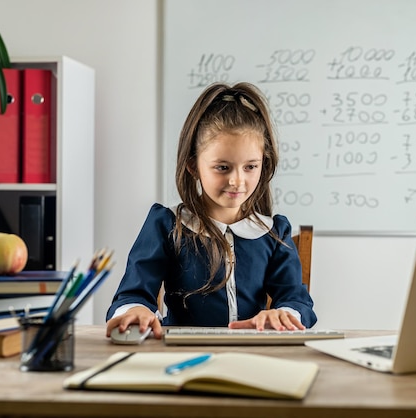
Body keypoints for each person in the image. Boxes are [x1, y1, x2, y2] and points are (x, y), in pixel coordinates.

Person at [106, 82, 317, 339]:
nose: (237, 180)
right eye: (222, 167)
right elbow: (133, 293)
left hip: (254, 356)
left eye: (250, 166)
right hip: (181, 355)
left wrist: (283, 313)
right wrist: (137, 310)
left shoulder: (274, 231)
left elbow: (297, 300)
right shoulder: (166, 224)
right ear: (193, 166)